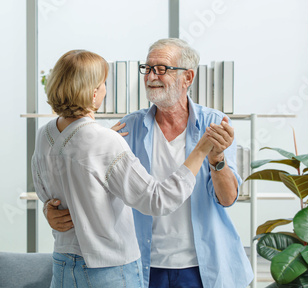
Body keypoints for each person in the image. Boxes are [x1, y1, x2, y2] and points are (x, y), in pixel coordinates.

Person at [44, 39, 254, 288]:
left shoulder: (215, 124)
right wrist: (50, 209)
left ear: (188, 77)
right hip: (144, 266)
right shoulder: (128, 128)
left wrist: (217, 159)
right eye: (147, 68)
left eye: (162, 68)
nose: (151, 76)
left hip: (203, 266)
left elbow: (228, 199)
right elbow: (92, 183)